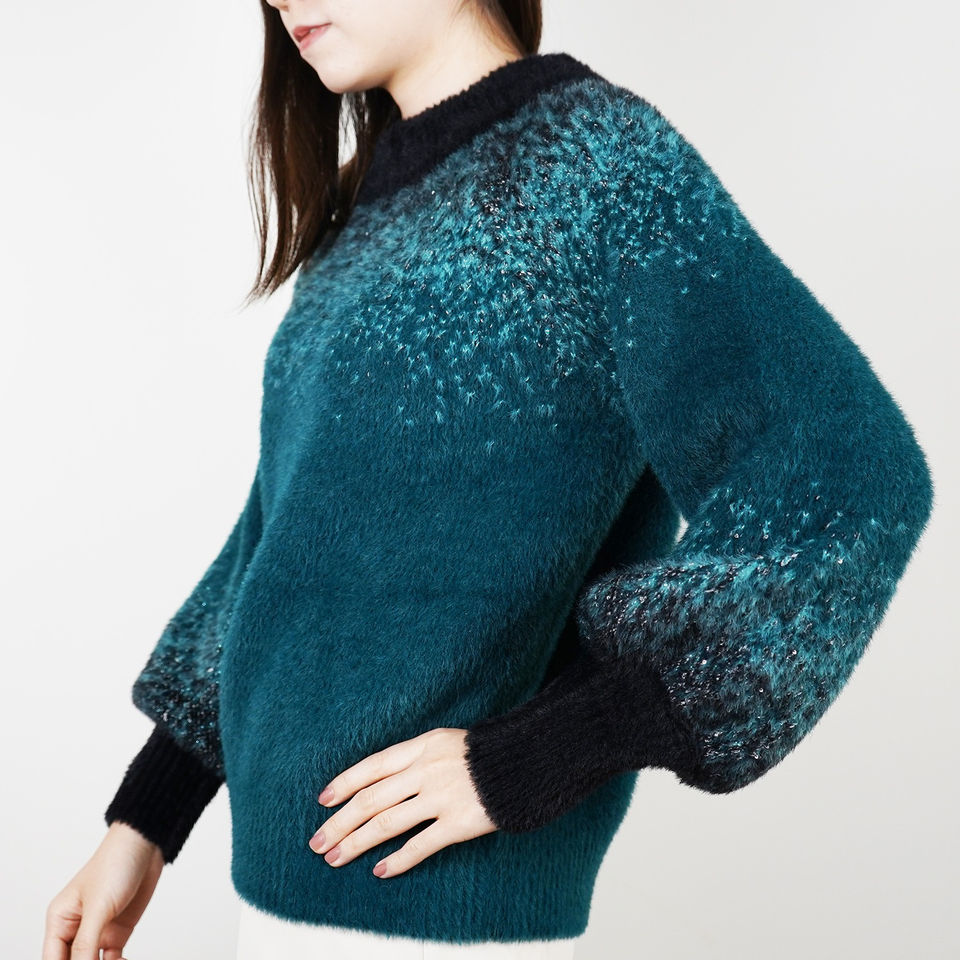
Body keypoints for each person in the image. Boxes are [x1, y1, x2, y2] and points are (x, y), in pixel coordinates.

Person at [43, 0, 935, 958]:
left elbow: (852, 481)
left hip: (446, 914)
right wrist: (146, 820)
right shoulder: (362, 212)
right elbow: (283, 538)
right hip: (278, 898)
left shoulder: (596, 167)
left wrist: (549, 751)